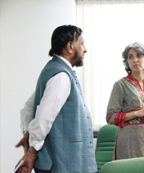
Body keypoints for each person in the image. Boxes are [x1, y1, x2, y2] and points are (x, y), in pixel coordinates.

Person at [15, 25, 98, 173]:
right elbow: (43, 118)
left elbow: (28, 108)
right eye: (82, 44)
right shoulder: (61, 76)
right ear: (70, 46)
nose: (85, 49)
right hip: (64, 165)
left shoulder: (53, 70)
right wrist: (32, 152)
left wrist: (28, 134)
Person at [106, 42, 144, 160]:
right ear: (127, 61)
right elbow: (110, 117)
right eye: (130, 57)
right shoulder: (121, 85)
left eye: (139, 56)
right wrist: (138, 113)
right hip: (129, 141)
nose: (135, 60)